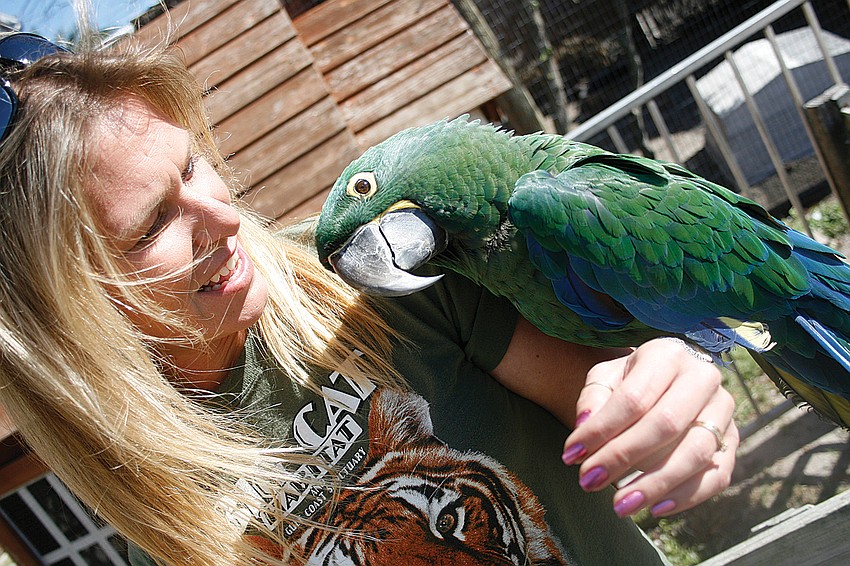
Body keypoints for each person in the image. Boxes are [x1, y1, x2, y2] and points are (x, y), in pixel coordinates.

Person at [0, 28, 738, 566]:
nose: (226, 219)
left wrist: (661, 399)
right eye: (155, 222)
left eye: (193, 165)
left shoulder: (375, 280)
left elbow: (608, 404)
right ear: (68, 313)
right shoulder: (155, 514)